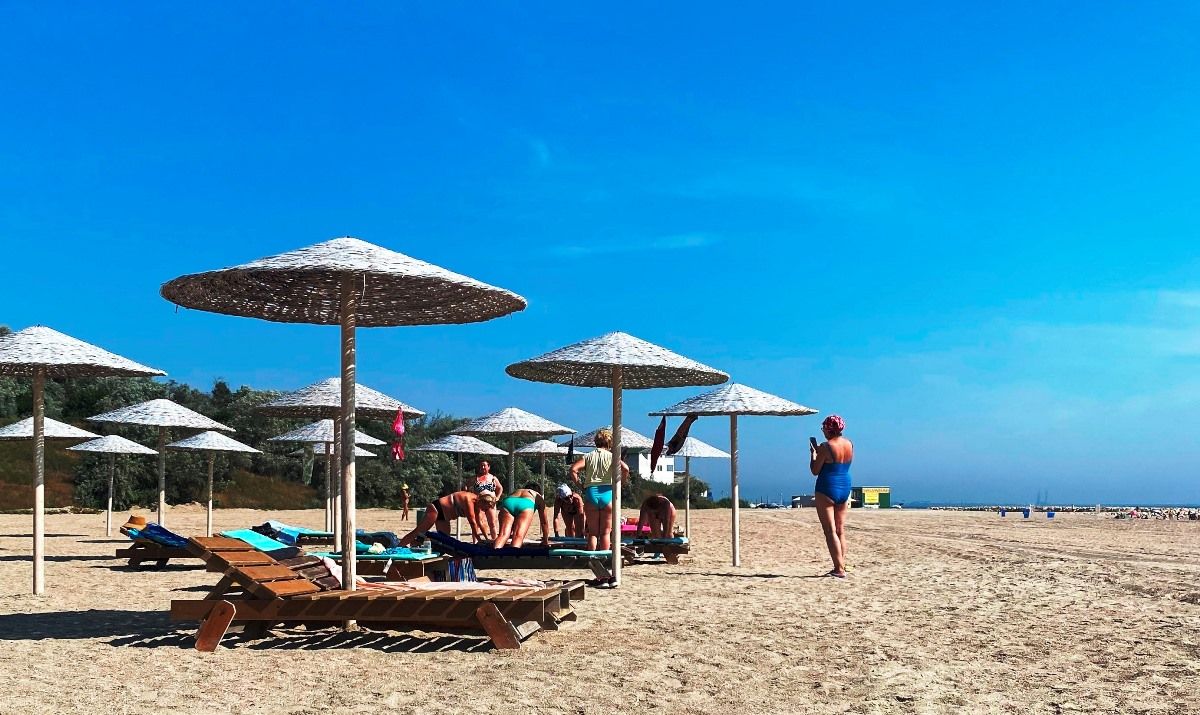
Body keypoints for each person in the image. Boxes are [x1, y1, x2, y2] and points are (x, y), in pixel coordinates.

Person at [569, 428, 630, 553]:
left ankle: (592, 558)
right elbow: (625, 469)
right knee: (605, 532)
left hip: (591, 492)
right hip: (607, 492)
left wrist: (580, 485)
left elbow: (573, 469)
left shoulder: (588, 456)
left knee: (593, 533)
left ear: (595, 441)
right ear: (610, 442)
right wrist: (621, 484)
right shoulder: (612, 456)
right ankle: (603, 559)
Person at [809, 414, 853, 578]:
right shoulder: (849, 444)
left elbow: (815, 470)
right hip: (845, 486)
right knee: (840, 530)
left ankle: (838, 569)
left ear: (828, 430)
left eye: (823, 429)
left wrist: (813, 454)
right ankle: (842, 564)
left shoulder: (826, 446)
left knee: (830, 531)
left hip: (827, 487)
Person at [399, 490, 495, 546]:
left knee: (445, 542)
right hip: (436, 508)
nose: (484, 510)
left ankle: (416, 542)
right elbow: (472, 522)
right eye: (485, 508)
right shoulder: (469, 499)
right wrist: (479, 540)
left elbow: (480, 522)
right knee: (419, 531)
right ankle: (398, 547)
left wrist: (487, 539)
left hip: (444, 517)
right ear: (482, 501)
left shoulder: (477, 504)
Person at [493, 483, 551, 549]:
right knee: (518, 536)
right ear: (538, 490)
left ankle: (495, 552)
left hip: (509, 501)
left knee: (503, 535)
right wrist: (545, 541)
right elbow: (544, 522)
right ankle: (513, 554)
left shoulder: (518, 491)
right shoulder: (538, 496)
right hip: (526, 503)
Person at [464, 460, 503, 540]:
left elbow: (500, 488)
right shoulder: (475, 478)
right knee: (477, 523)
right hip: (479, 502)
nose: (482, 467)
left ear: (488, 467)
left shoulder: (493, 478)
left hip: (490, 502)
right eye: (481, 466)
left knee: (492, 523)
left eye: (484, 465)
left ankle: (494, 540)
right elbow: (466, 485)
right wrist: (469, 495)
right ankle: (476, 542)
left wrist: (498, 497)